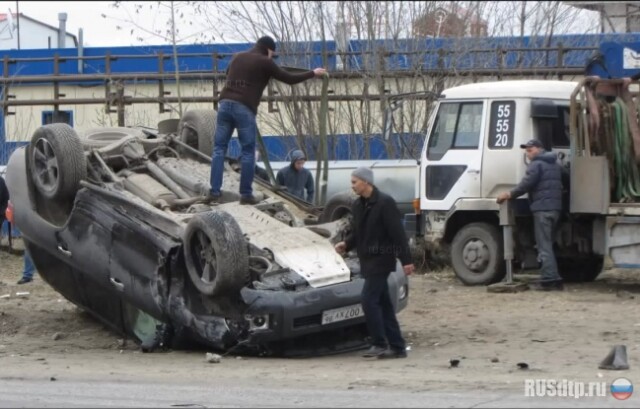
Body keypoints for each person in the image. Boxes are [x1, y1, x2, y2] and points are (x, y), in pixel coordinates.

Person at [209, 35, 327, 205]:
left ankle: (214, 191)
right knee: (248, 151)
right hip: (244, 108)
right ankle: (246, 194)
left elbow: (228, 73)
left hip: (224, 104)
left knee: (219, 148)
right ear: (269, 50)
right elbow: (289, 79)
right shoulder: (265, 62)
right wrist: (312, 73)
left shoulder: (237, 57)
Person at [334, 167, 415, 359]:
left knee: (369, 299)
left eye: (354, 182)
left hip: (382, 259)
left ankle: (379, 342)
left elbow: (398, 234)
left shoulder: (385, 203)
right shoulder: (358, 205)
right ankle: (397, 347)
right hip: (367, 260)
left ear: (366, 182)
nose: (352, 186)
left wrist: (406, 261)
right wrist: (347, 243)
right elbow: (358, 231)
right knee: (384, 304)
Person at [496, 139, 564, 291]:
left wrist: (509, 194)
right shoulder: (555, 163)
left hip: (542, 209)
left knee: (543, 246)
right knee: (549, 244)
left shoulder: (536, 165)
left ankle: (549, 280)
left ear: (539, 149)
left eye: (530, 150)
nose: (527, 153)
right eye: (526, 151)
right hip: (555, 209)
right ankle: (555, 278)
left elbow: (526, 184)